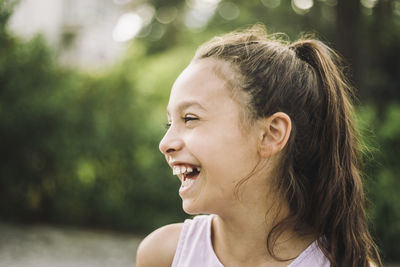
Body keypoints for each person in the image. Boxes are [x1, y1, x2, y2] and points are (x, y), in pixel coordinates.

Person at [136, 24, 381, 267]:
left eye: (190, 118)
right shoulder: (164, 255)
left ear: (271, 134)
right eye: (169, 124)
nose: (165, 143)